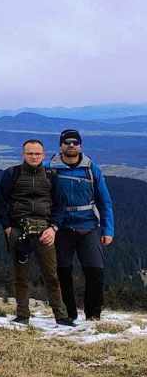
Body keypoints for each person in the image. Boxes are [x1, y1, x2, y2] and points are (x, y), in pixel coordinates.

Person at [0, 139, 73, 326]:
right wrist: (8, 228)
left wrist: (53, 228)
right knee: (20, 275)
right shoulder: (11, 174)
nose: (34, 156)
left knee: (51, 275)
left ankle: (61, 316)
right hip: (18, 230)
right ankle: (22, 315)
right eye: (30, 153)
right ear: (23, 154)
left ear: (43, 155)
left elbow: (61, 206)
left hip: (45, 231)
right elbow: (0, 204)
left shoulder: (51, 176)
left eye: (37, 153)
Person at [49, 129, 115, 322]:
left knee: (95, 271)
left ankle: (93, 315)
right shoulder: (49, 168)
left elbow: (105, 202)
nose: (71, 145)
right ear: (60, 145)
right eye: (67, 142)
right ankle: (68, 314)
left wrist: (108, 230)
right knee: (63, 271)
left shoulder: (91, 169)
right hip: (60, 227)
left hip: (89, 226)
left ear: (80, 145)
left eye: (75, 142)